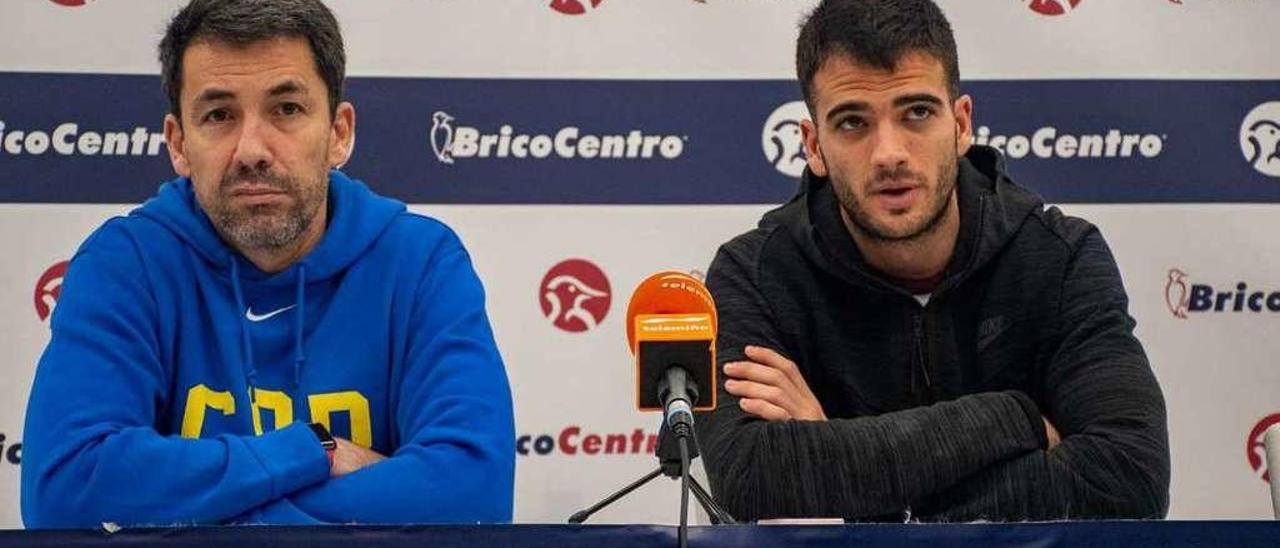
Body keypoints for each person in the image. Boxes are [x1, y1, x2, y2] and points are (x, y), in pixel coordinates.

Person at [21, 0, 514, 527]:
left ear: (339, 132)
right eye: (219, 115)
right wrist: (314, 451)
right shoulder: (125, 265)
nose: (252, 149)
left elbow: (472, 495)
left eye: (286, 109)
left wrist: (197, 509)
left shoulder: (420, 264)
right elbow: (65, 490)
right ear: (179, 144)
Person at [696, 0, 1169, 522]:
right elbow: (750, 480)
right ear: (813, 145)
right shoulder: (755, 274)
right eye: (852, 122)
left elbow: (1130, 477)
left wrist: (839, 466)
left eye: (917, 112)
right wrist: (1014, 418)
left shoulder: (1059, 257)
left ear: (962, 124)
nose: (889, 153)